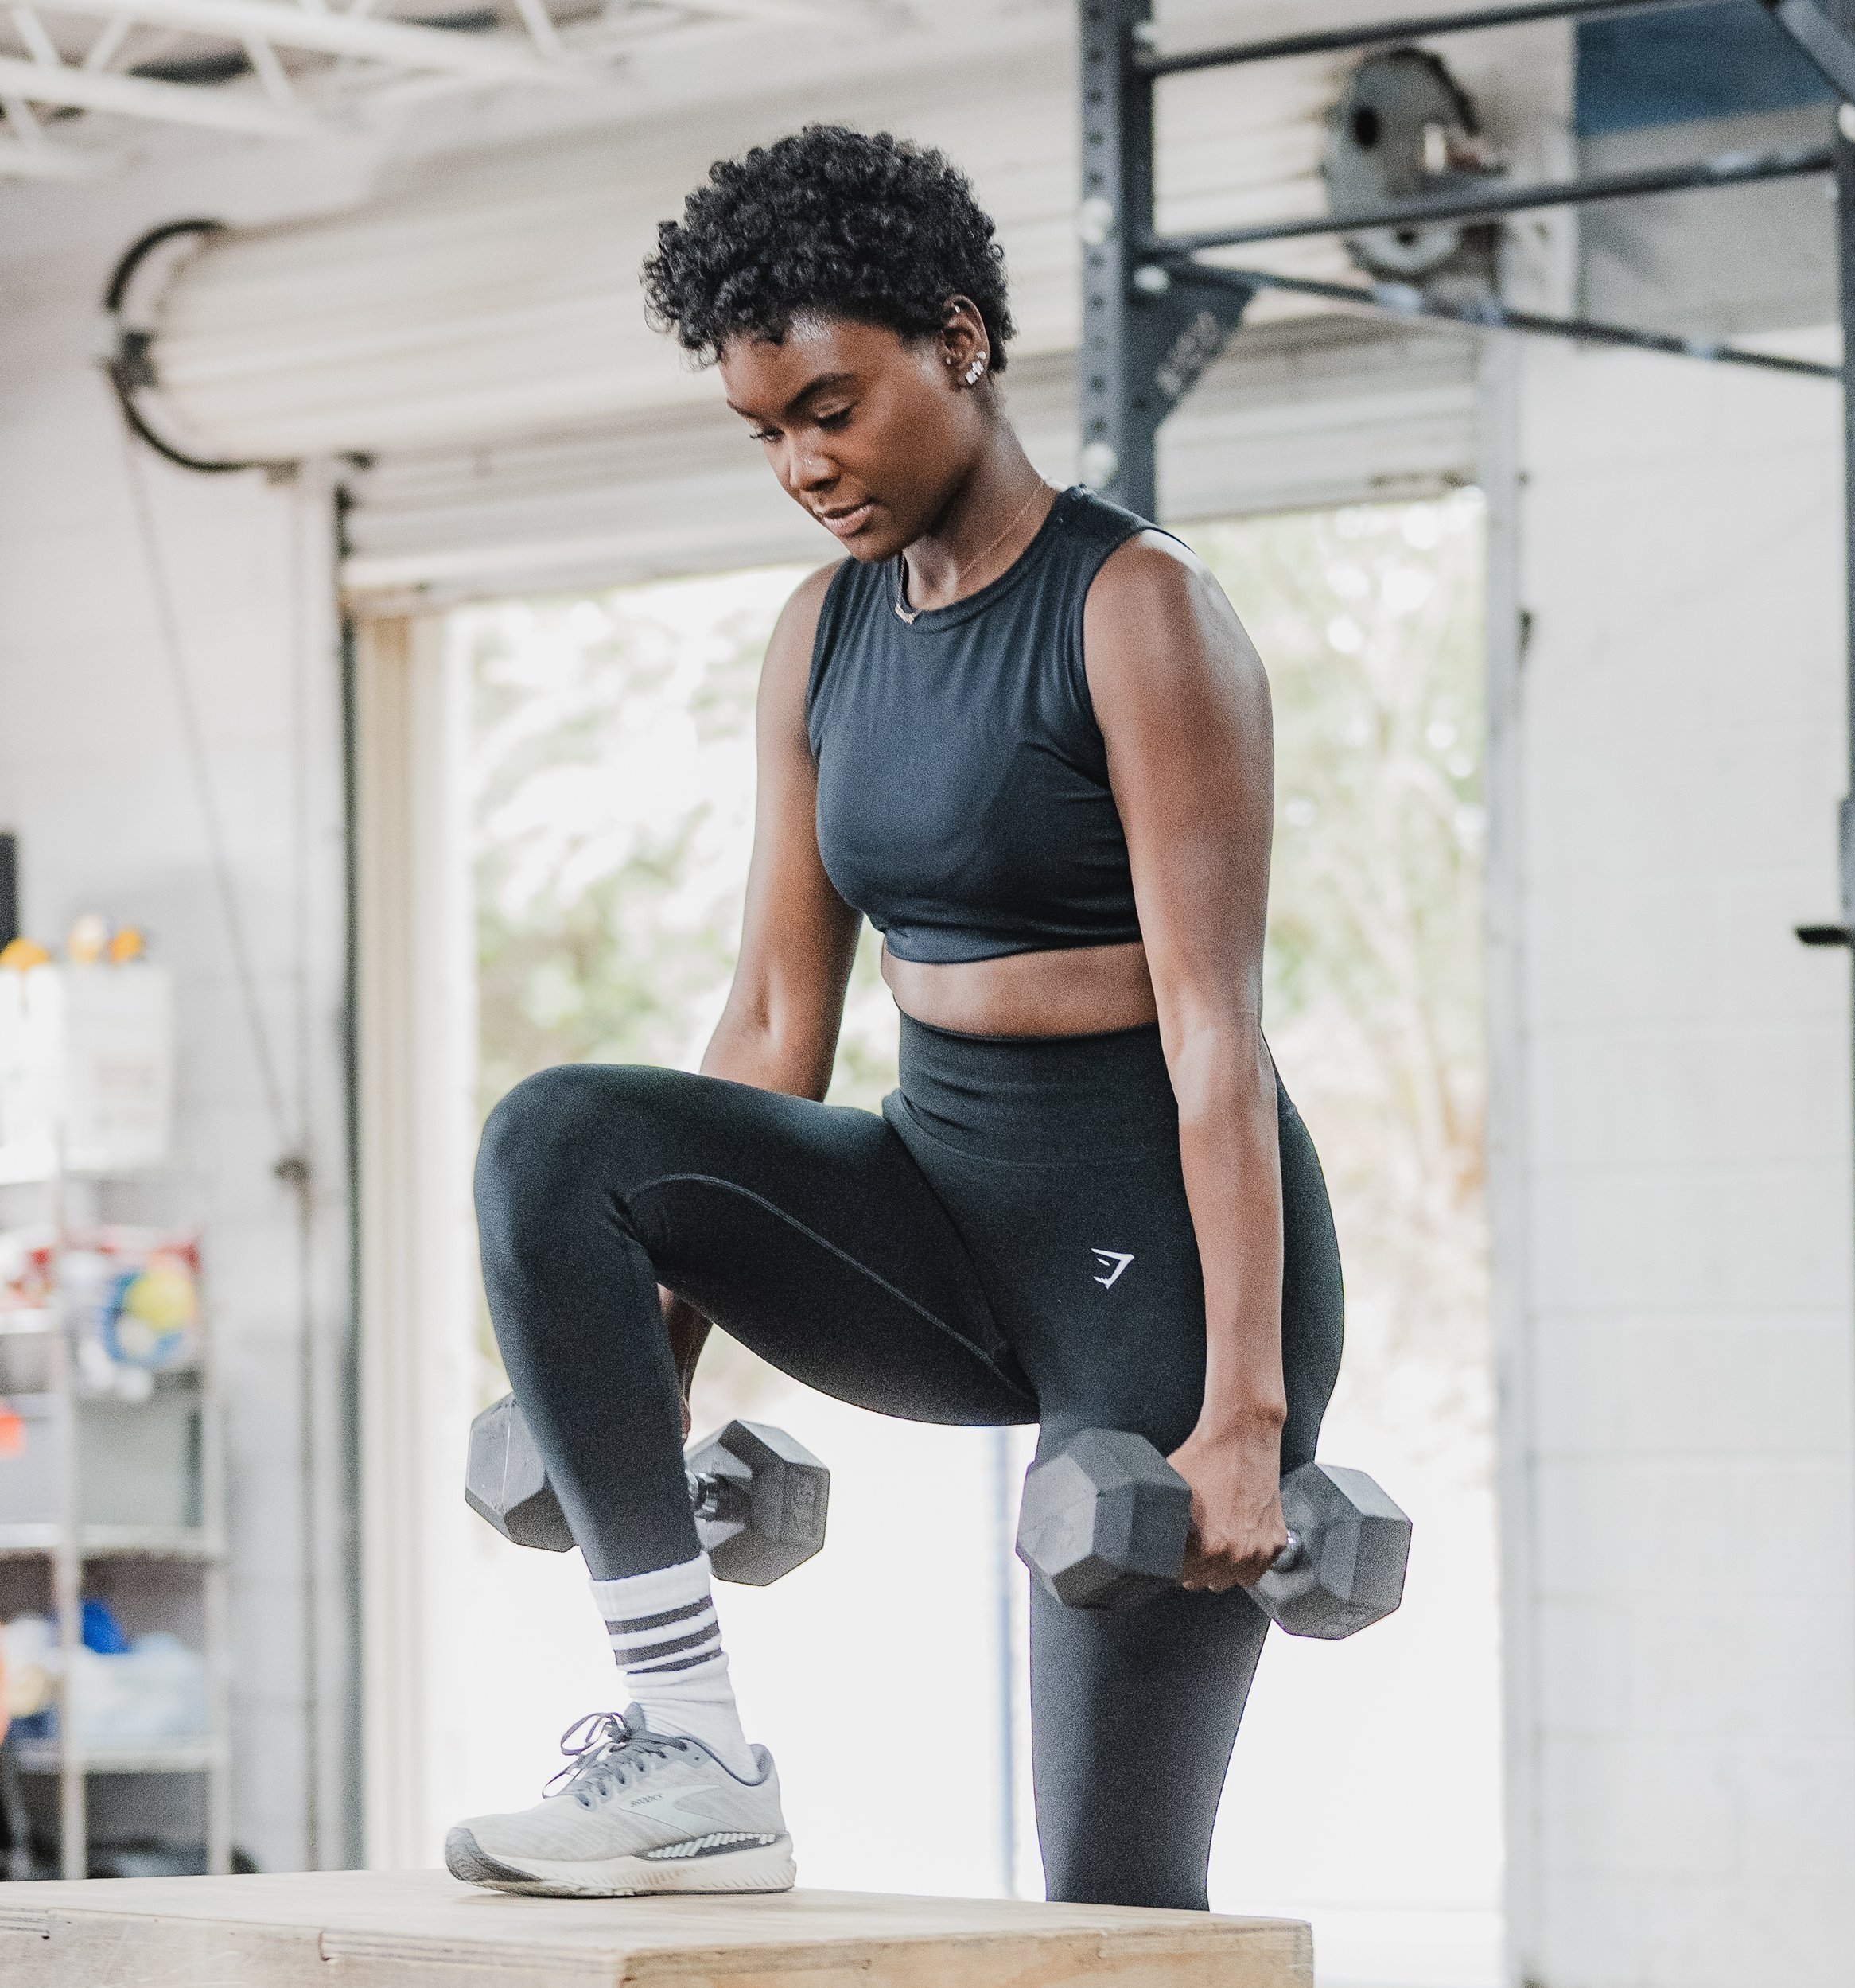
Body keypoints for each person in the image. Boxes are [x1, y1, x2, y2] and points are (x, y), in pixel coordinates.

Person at [446, 124, 1343, 1911]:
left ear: (959, 336)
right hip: (933, 1217)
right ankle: (689, 1746)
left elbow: (1215, 1030)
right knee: (561, 1140)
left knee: (1113, 1897)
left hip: (1149, 1262)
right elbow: (778, 1016)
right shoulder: (823, 633)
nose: (799, 463)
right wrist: (658, 1347)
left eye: (831, 407)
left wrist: (1241, 1409)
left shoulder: (1136, 607)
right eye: (765, 428)